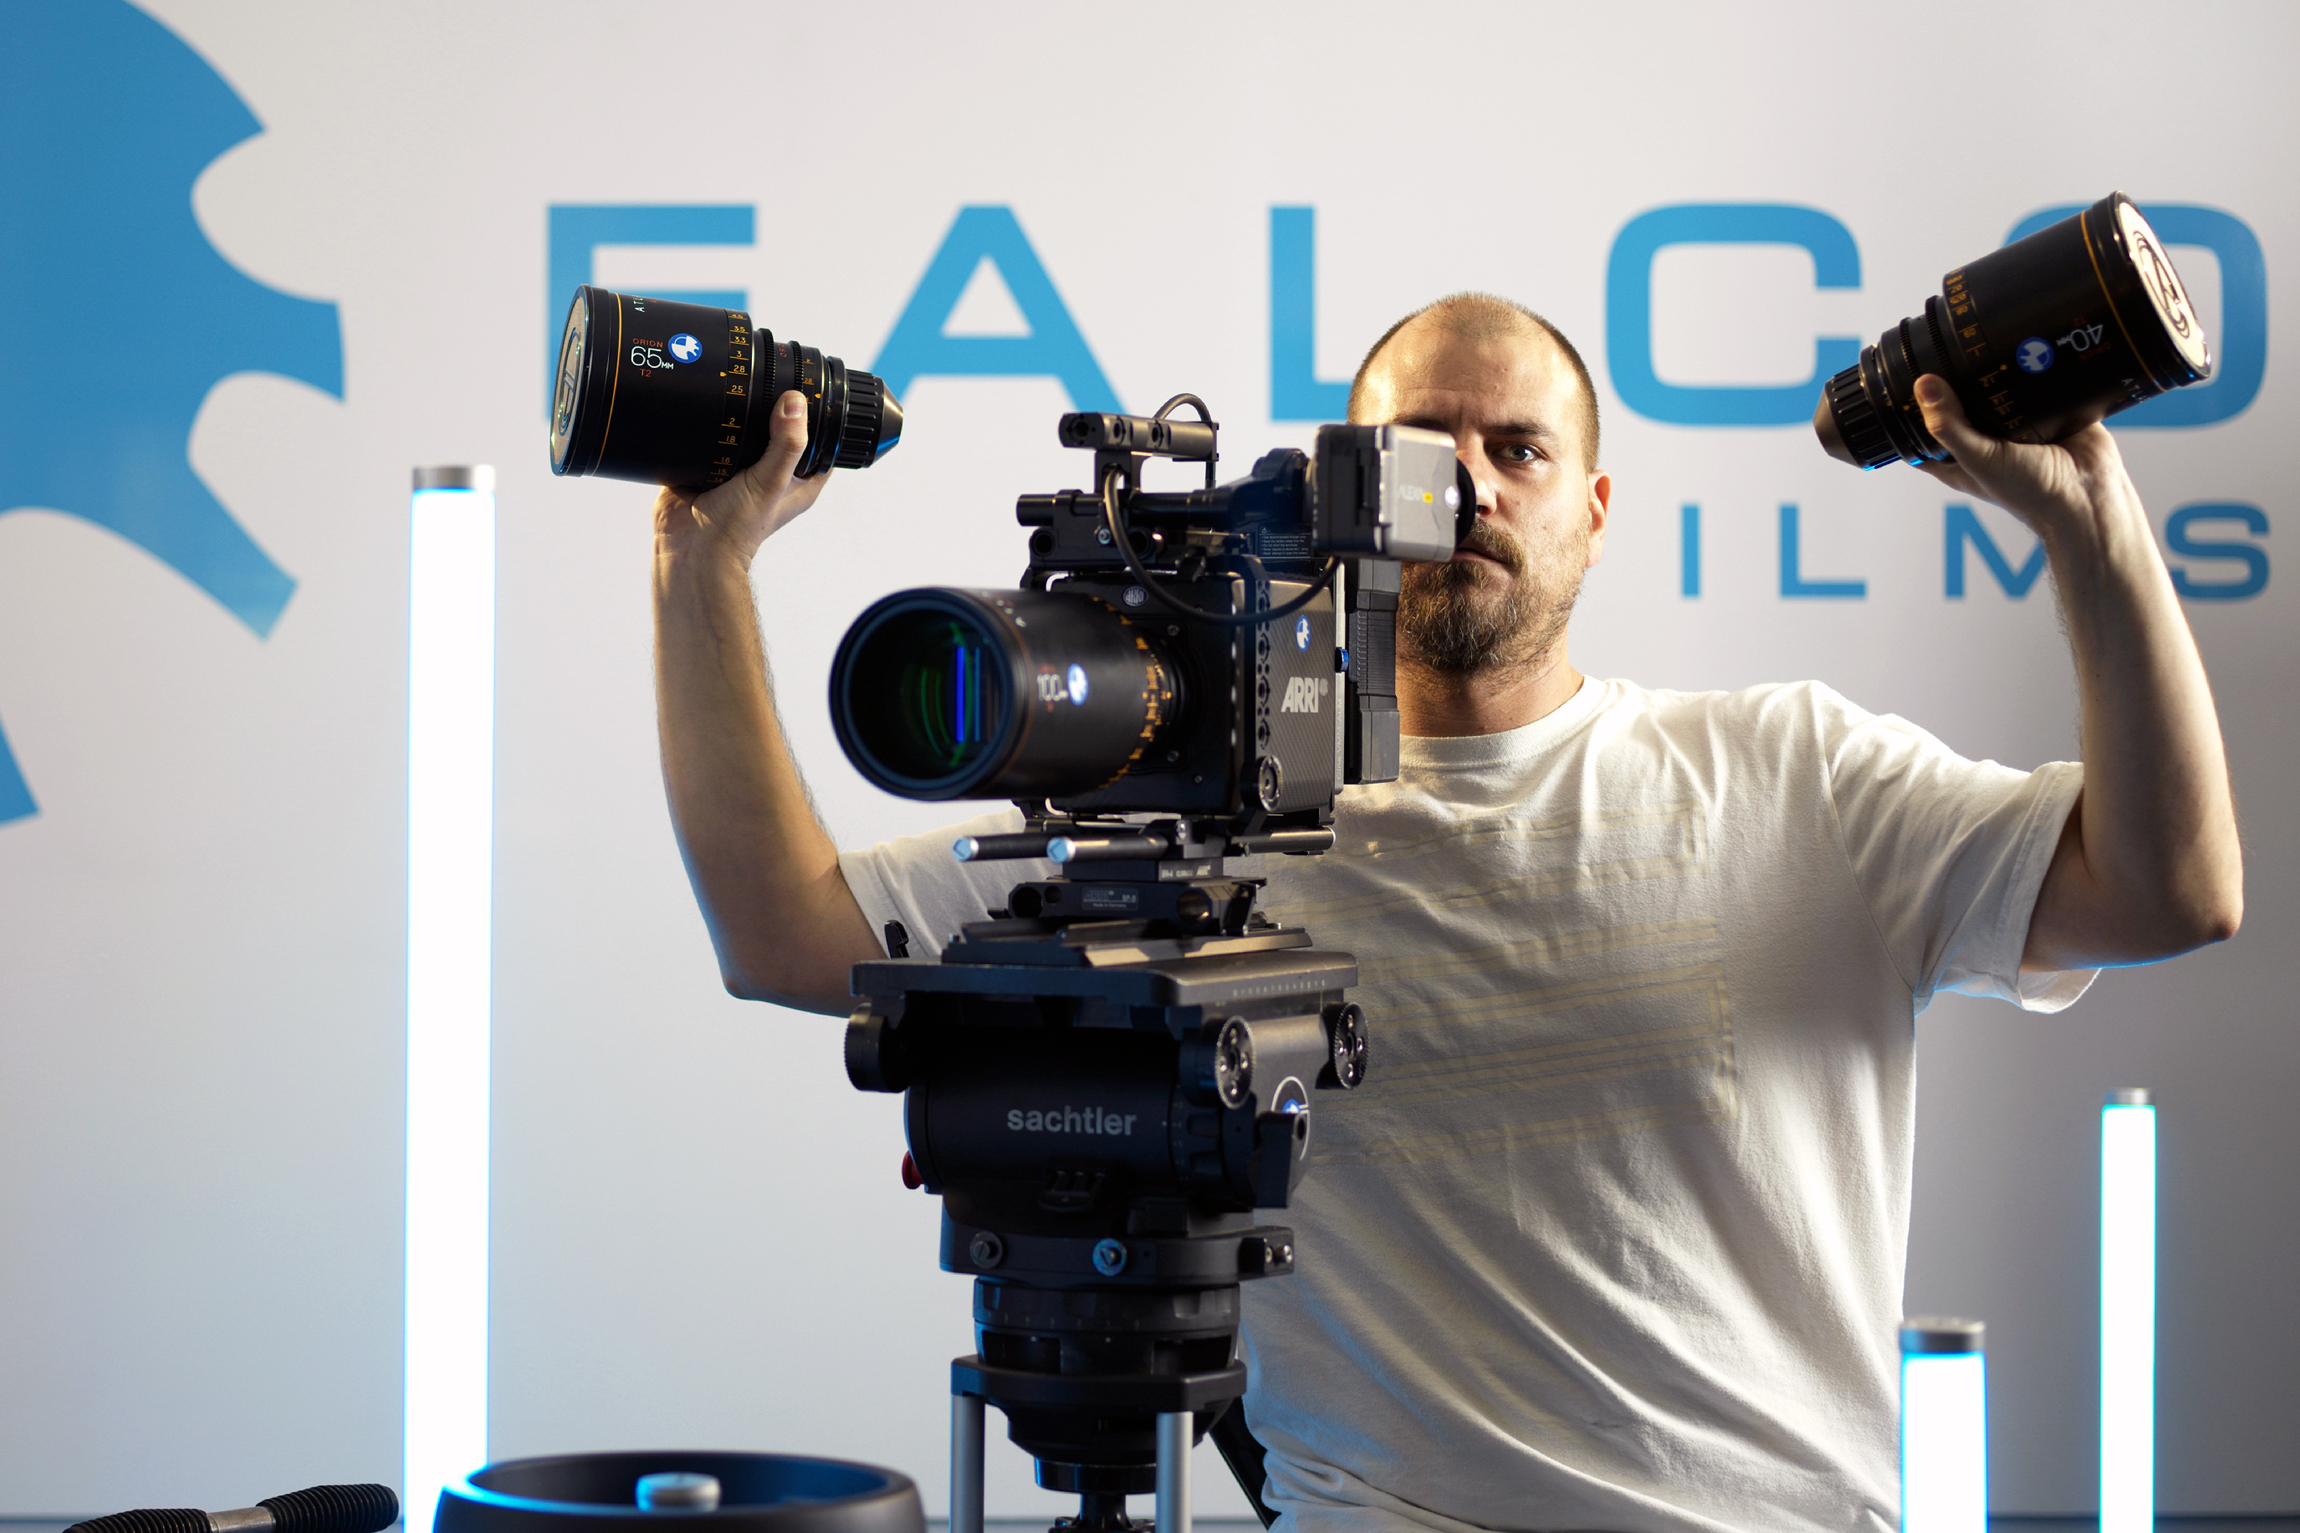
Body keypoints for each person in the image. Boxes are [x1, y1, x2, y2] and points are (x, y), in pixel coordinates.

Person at [650, 294, 2242, 1533]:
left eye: (1520, 450)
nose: (1468, 484)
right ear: (1339, 498)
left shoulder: (1794, 775)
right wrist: (699, 564)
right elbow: (784, 930)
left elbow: (2173, 885)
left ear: (1596, 508)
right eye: (1418, 448)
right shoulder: (1191, 827)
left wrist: (2092, 521)